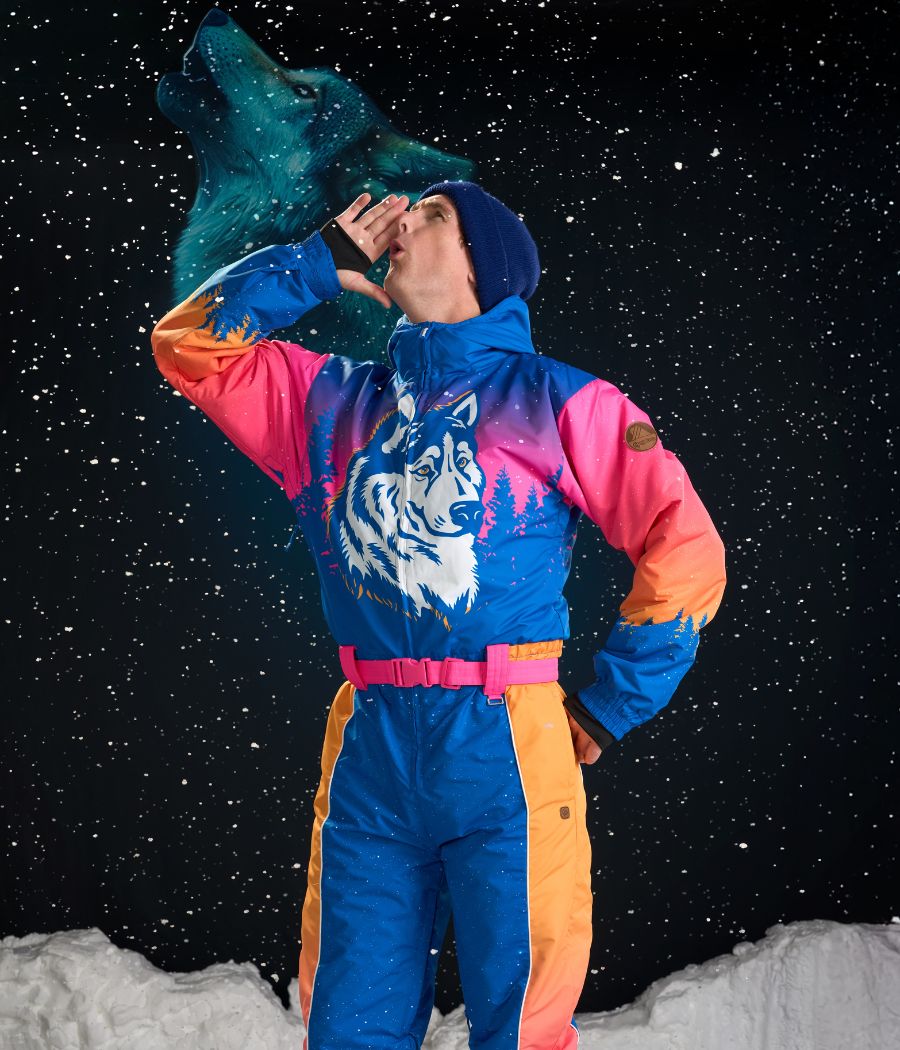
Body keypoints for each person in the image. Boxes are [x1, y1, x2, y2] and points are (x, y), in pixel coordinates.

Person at [150, 180, 727, 1049]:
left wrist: (613, 703)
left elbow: (685, 547)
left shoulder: (560, 401)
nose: (401, 218)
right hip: (370, 742)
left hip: (509, 741)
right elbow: (188, 346)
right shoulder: (329, 403)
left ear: (480, 265)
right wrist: (313, 266)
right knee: (346, 1026)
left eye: (433, 214)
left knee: (521, 1026)